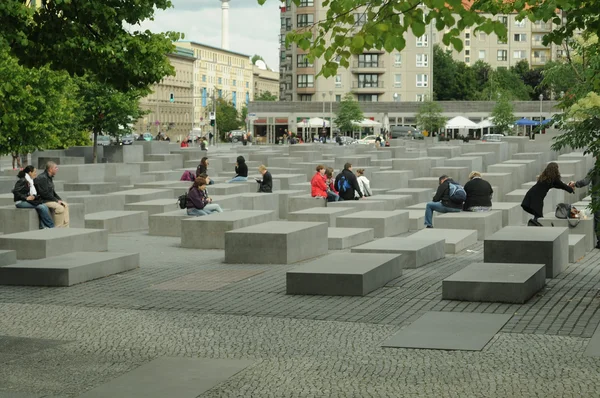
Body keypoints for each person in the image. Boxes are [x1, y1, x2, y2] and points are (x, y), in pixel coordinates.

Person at [522, 162, 574, 226]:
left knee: (537, 215)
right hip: (537, 197)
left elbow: (557, 185)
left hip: (531, 194)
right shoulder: (553, 178)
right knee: (538, 216)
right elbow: (561, 185)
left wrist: (568, 187)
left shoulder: (545, 177)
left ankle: (534, 226)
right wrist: (571, 189)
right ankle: (534, 226)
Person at [569, 166, 600, 248]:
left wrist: (575, 184)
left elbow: (585, 182)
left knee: (598, 219)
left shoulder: (594, 170)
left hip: (597, 198)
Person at [34, 161, 69, 228]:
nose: (57, 169)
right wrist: (56, 200)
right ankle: (58, 228)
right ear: (50, 169)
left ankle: (66, 227)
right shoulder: (42, 178)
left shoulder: (49, 177)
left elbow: (53, 192)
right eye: (55, 167)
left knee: (65, 205)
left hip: (49, 199)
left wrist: (59, 199)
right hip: (43, 200)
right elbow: (44, 193)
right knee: (60, 208)